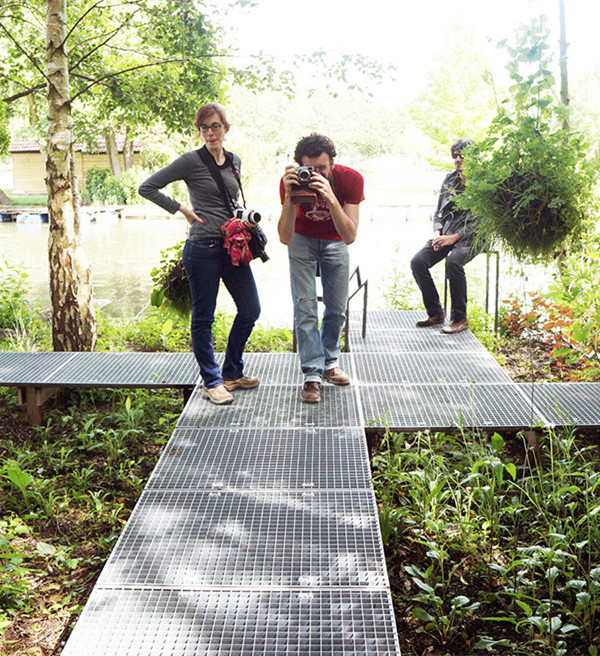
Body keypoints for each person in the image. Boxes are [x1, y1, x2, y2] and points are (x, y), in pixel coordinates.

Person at [138, 102, 260, 405]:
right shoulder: (190, 161)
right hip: (202, 247)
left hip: (233, 248)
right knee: (204, 316)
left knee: (250, 309)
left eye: (215, 126)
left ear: (226, 129)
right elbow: (147, 187)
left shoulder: (235, 161)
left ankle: (232, 372)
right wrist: (182, 209)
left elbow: (230, 201)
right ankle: (211, 380)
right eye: (204, 127)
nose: (210, 132)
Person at [278, 133, 364, 404]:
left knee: (337, 308)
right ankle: (312, 375)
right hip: (301, 239)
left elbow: (350, 236)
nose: (316, 174)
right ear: (299, 166)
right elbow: (285, 237)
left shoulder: (351, 179)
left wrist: (330, 197)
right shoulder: (290, 182)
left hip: (335, 239)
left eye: (322, 169)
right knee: (305, 307)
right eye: (309, 169)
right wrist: (291, 194)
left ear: (333, 164)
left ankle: (330, 361)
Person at [410, 138, 482, 334]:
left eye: (462, 155)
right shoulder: (449, 180)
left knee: (453, 262)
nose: (458, 159)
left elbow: (481, 220)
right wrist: (437, 234)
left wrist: (454, 238)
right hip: (447, 234)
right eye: (455, 156)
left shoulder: (483, 183)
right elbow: (439, 211)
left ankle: (459, 319)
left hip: (472, 237)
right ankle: (435, 313)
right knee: (418, 261)